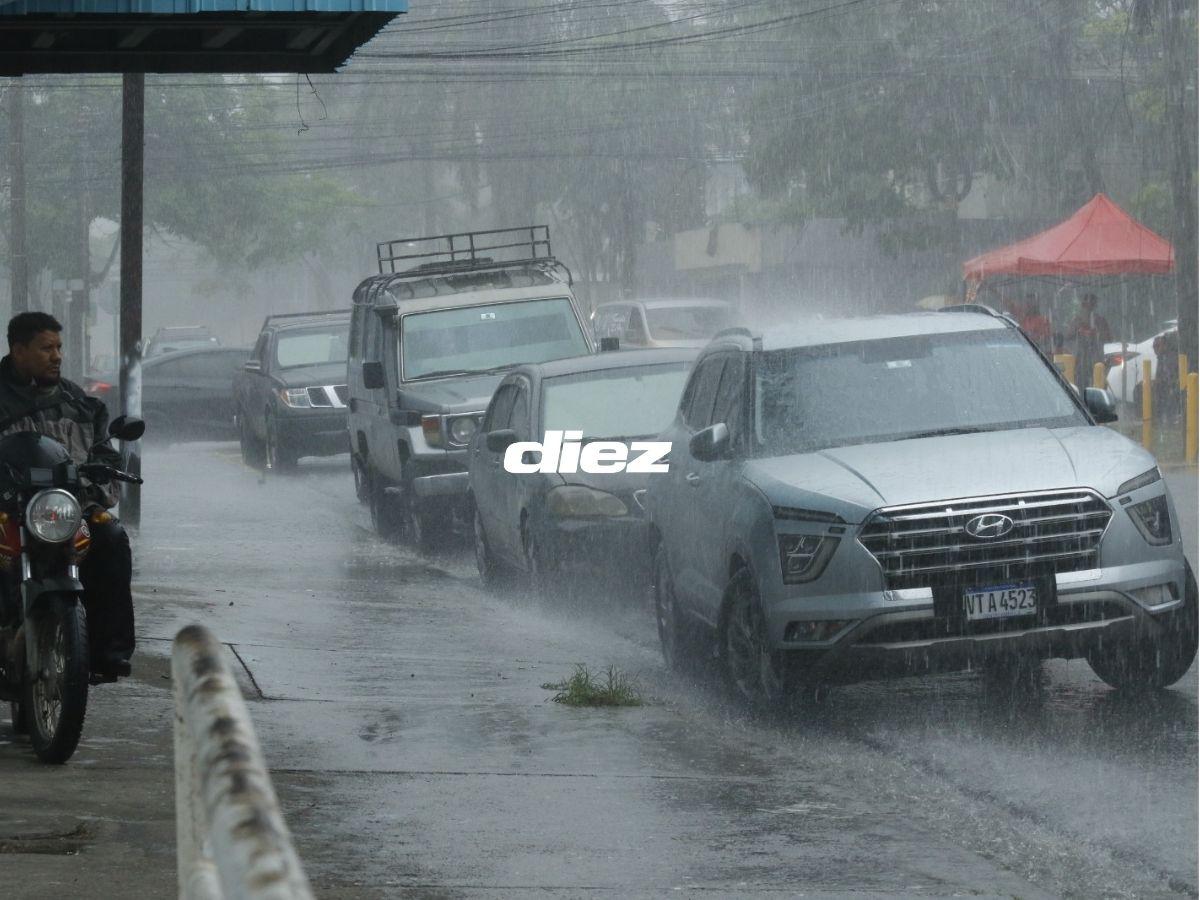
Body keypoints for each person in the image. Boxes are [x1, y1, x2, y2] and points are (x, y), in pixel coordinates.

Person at [0, 312, 134, 677]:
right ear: (18, 350)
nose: (57, 356)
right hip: (9, 510)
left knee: (110, 535)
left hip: (66, 510)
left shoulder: (82, 405)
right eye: (46, 348)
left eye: (59, 347)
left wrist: (92, 487)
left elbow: (105, 457)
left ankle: (108, 653)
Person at [1068, 293, 1112, 390]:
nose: (1088, 308)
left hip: (1096, 361)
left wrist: (1097, 333)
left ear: (1094, 306)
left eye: (1091, 305)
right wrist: (1078, 330)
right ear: (1082, 305)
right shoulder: (1076, 320)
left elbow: (1108, 338)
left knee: (1098, 386)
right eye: (1086, 305)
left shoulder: (1100, 321)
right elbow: (1069, 336)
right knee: (1081, 386)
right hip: (1080, 362)